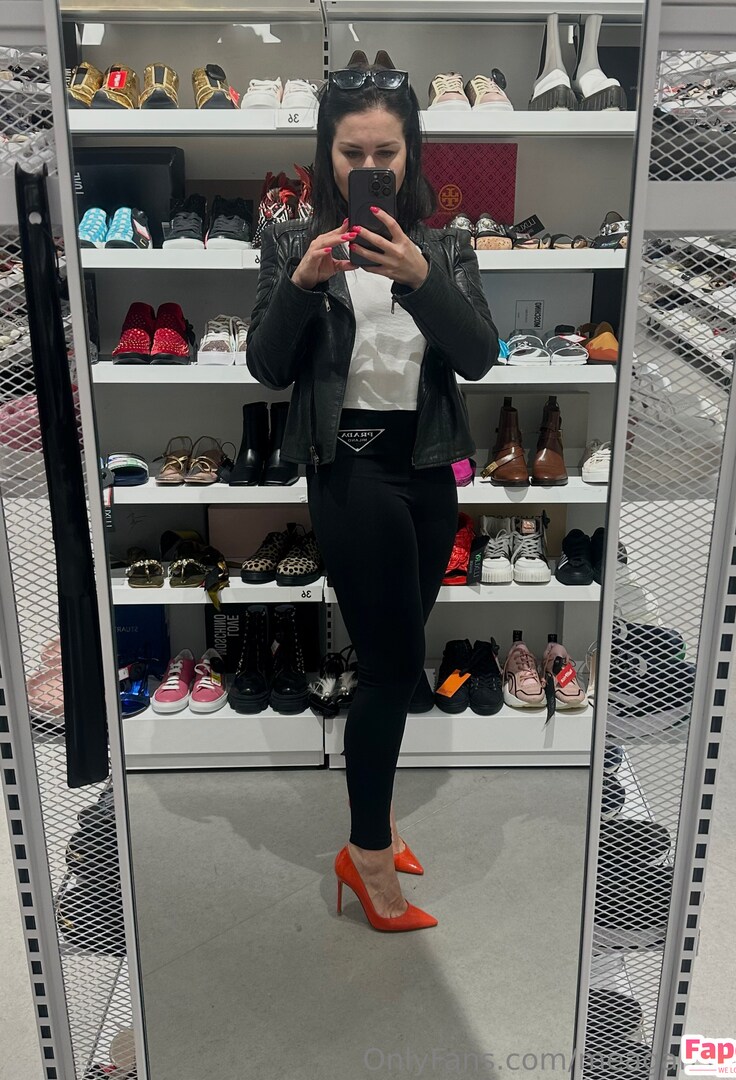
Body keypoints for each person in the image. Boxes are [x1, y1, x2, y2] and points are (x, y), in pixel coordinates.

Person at [246, 57, 498, 932]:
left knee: (398, 653)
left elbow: (479, 357)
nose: (368, 168)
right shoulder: (292, 244)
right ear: (327, 156)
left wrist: (424, 280)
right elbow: (268, 367)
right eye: (351, 154)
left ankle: (377, 821)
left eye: (384, 153)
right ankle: (368, 858)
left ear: (410, 152)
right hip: (349, 472)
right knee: (392, 669)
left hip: (427, 471)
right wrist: (301, 287)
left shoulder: (446, 247)